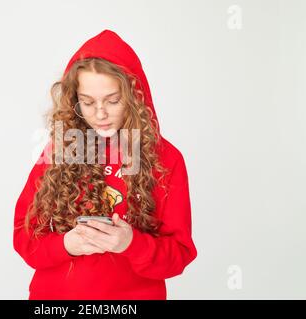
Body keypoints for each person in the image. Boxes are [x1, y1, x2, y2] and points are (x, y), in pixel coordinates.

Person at [13, 29, 197, 300]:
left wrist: (131, 244)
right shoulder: (62, 150)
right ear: (75, 101)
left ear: (134, 97)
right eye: (87, 103)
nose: (100, 114)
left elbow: (179, 255)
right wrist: (66, 245)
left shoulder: (166, 159)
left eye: (113, 100)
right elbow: (23, 235)